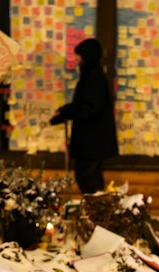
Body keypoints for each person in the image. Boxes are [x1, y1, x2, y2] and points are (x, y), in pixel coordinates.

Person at [50, 38, 119, 194]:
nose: (76, 59)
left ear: (88, 56)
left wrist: (66, 112)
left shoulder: (94, 78)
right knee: (92, 178)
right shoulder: (91, 76)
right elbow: (84, 104)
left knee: (86, 177)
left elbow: (89, 108)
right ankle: (97, 207)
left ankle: (95, 207)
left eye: (79, 55)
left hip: (92, 141)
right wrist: (64, 111)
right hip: (93, 141)